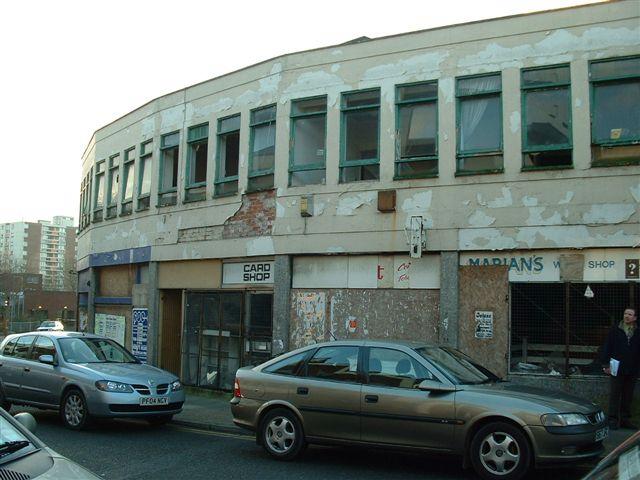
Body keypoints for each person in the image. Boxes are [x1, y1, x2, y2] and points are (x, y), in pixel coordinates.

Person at [600, 307, 639, 430]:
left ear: (635, 318)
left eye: (630, 314)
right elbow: (607, 347)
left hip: (632, 369)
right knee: (615, 394)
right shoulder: (615, 330)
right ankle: (612, 419)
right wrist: (606, 365)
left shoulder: (637, 332)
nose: (627, 316)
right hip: (617, 367)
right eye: (625, 313)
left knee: (628, 395)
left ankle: (625, 419)